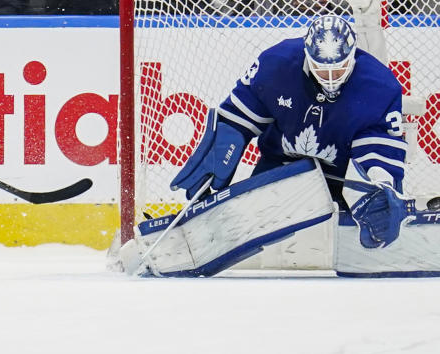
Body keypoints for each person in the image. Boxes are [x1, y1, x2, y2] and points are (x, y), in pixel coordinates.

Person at [169, 14, 408, 213]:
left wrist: (380, 186)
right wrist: (223, 144)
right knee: (254, 210)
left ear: (352, 56)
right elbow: (237, 119)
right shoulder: (277, 65)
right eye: (323, 71)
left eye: (339, 69)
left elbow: (378, 155)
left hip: (340, 178)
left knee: (373, 213)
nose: (331, 79)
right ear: (307, 56)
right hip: (278, 170)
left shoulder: (380, 87)